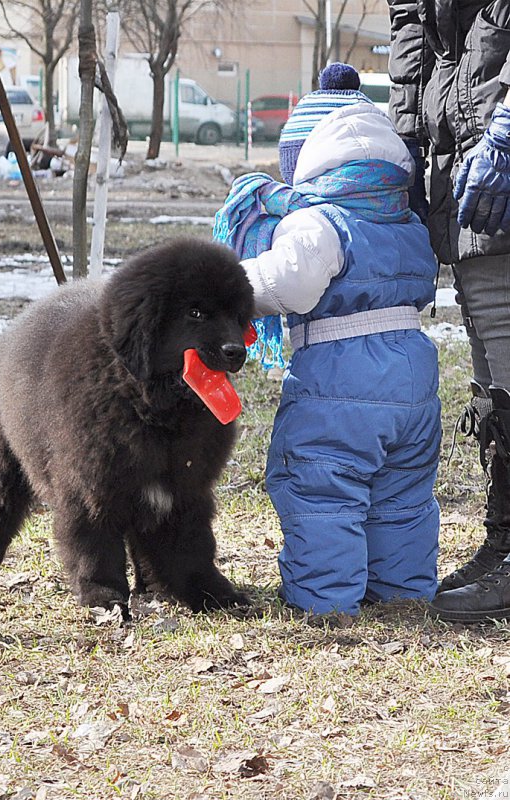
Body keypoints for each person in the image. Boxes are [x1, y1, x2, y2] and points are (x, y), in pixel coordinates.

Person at [213, 63, 441, 617]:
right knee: (402, 495)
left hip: (342, 371)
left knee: (321, 487)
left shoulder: (319, 222)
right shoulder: (406, 220)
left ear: (304, 163)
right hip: (414, 374)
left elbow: (290, 282)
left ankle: (327, 601)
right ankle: (404, 593)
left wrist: (230, 285)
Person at [386, 0, 510, 622]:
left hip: (495, 133)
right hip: (459, 145)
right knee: (488, 346)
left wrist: (509, 127)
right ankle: (504, 540)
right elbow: (413, 38)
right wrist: (406, 142)